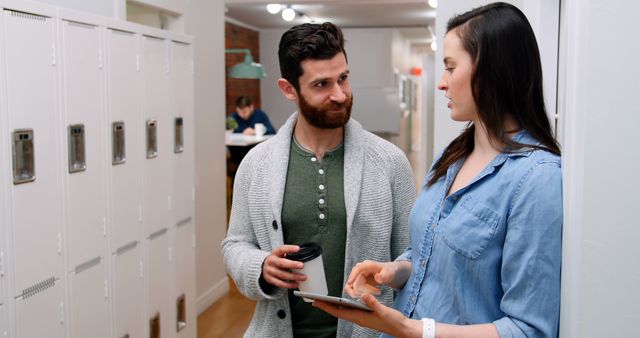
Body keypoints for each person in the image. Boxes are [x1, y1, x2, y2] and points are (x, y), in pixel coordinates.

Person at [313, 3, 563, 338]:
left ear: (492, 71)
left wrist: (409, 327)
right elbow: (428, 255)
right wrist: (395, 270)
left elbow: (528, 329)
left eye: (450, 67)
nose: (441, 83)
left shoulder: (536, 178)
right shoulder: (454, 155)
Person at [222, 22, 416, 337]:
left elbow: (414, 255)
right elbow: (235, 243)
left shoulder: (390, 162)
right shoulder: (256, 164)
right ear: (288, 89)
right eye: (322, 84)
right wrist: (261, 266)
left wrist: (392, 276)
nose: (339, 94)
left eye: (343, 78)